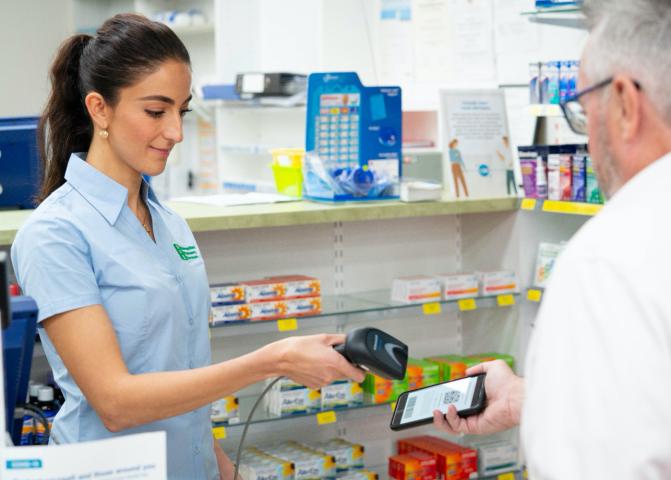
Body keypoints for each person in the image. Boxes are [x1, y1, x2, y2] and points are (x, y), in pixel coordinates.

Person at [10, 14, 365, 480]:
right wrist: (272, 361)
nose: (176, 132)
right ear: (100, 109)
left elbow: (179, 377)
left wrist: (224, 470)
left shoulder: (171, 224)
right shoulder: (56, 234)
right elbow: (115, 402)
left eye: (183, 110)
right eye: (156, 112)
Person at [434, 0, 671, 477]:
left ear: (624, 102)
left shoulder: (609, 259)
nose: (587, 142)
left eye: (583, 113)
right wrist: (533, 396)